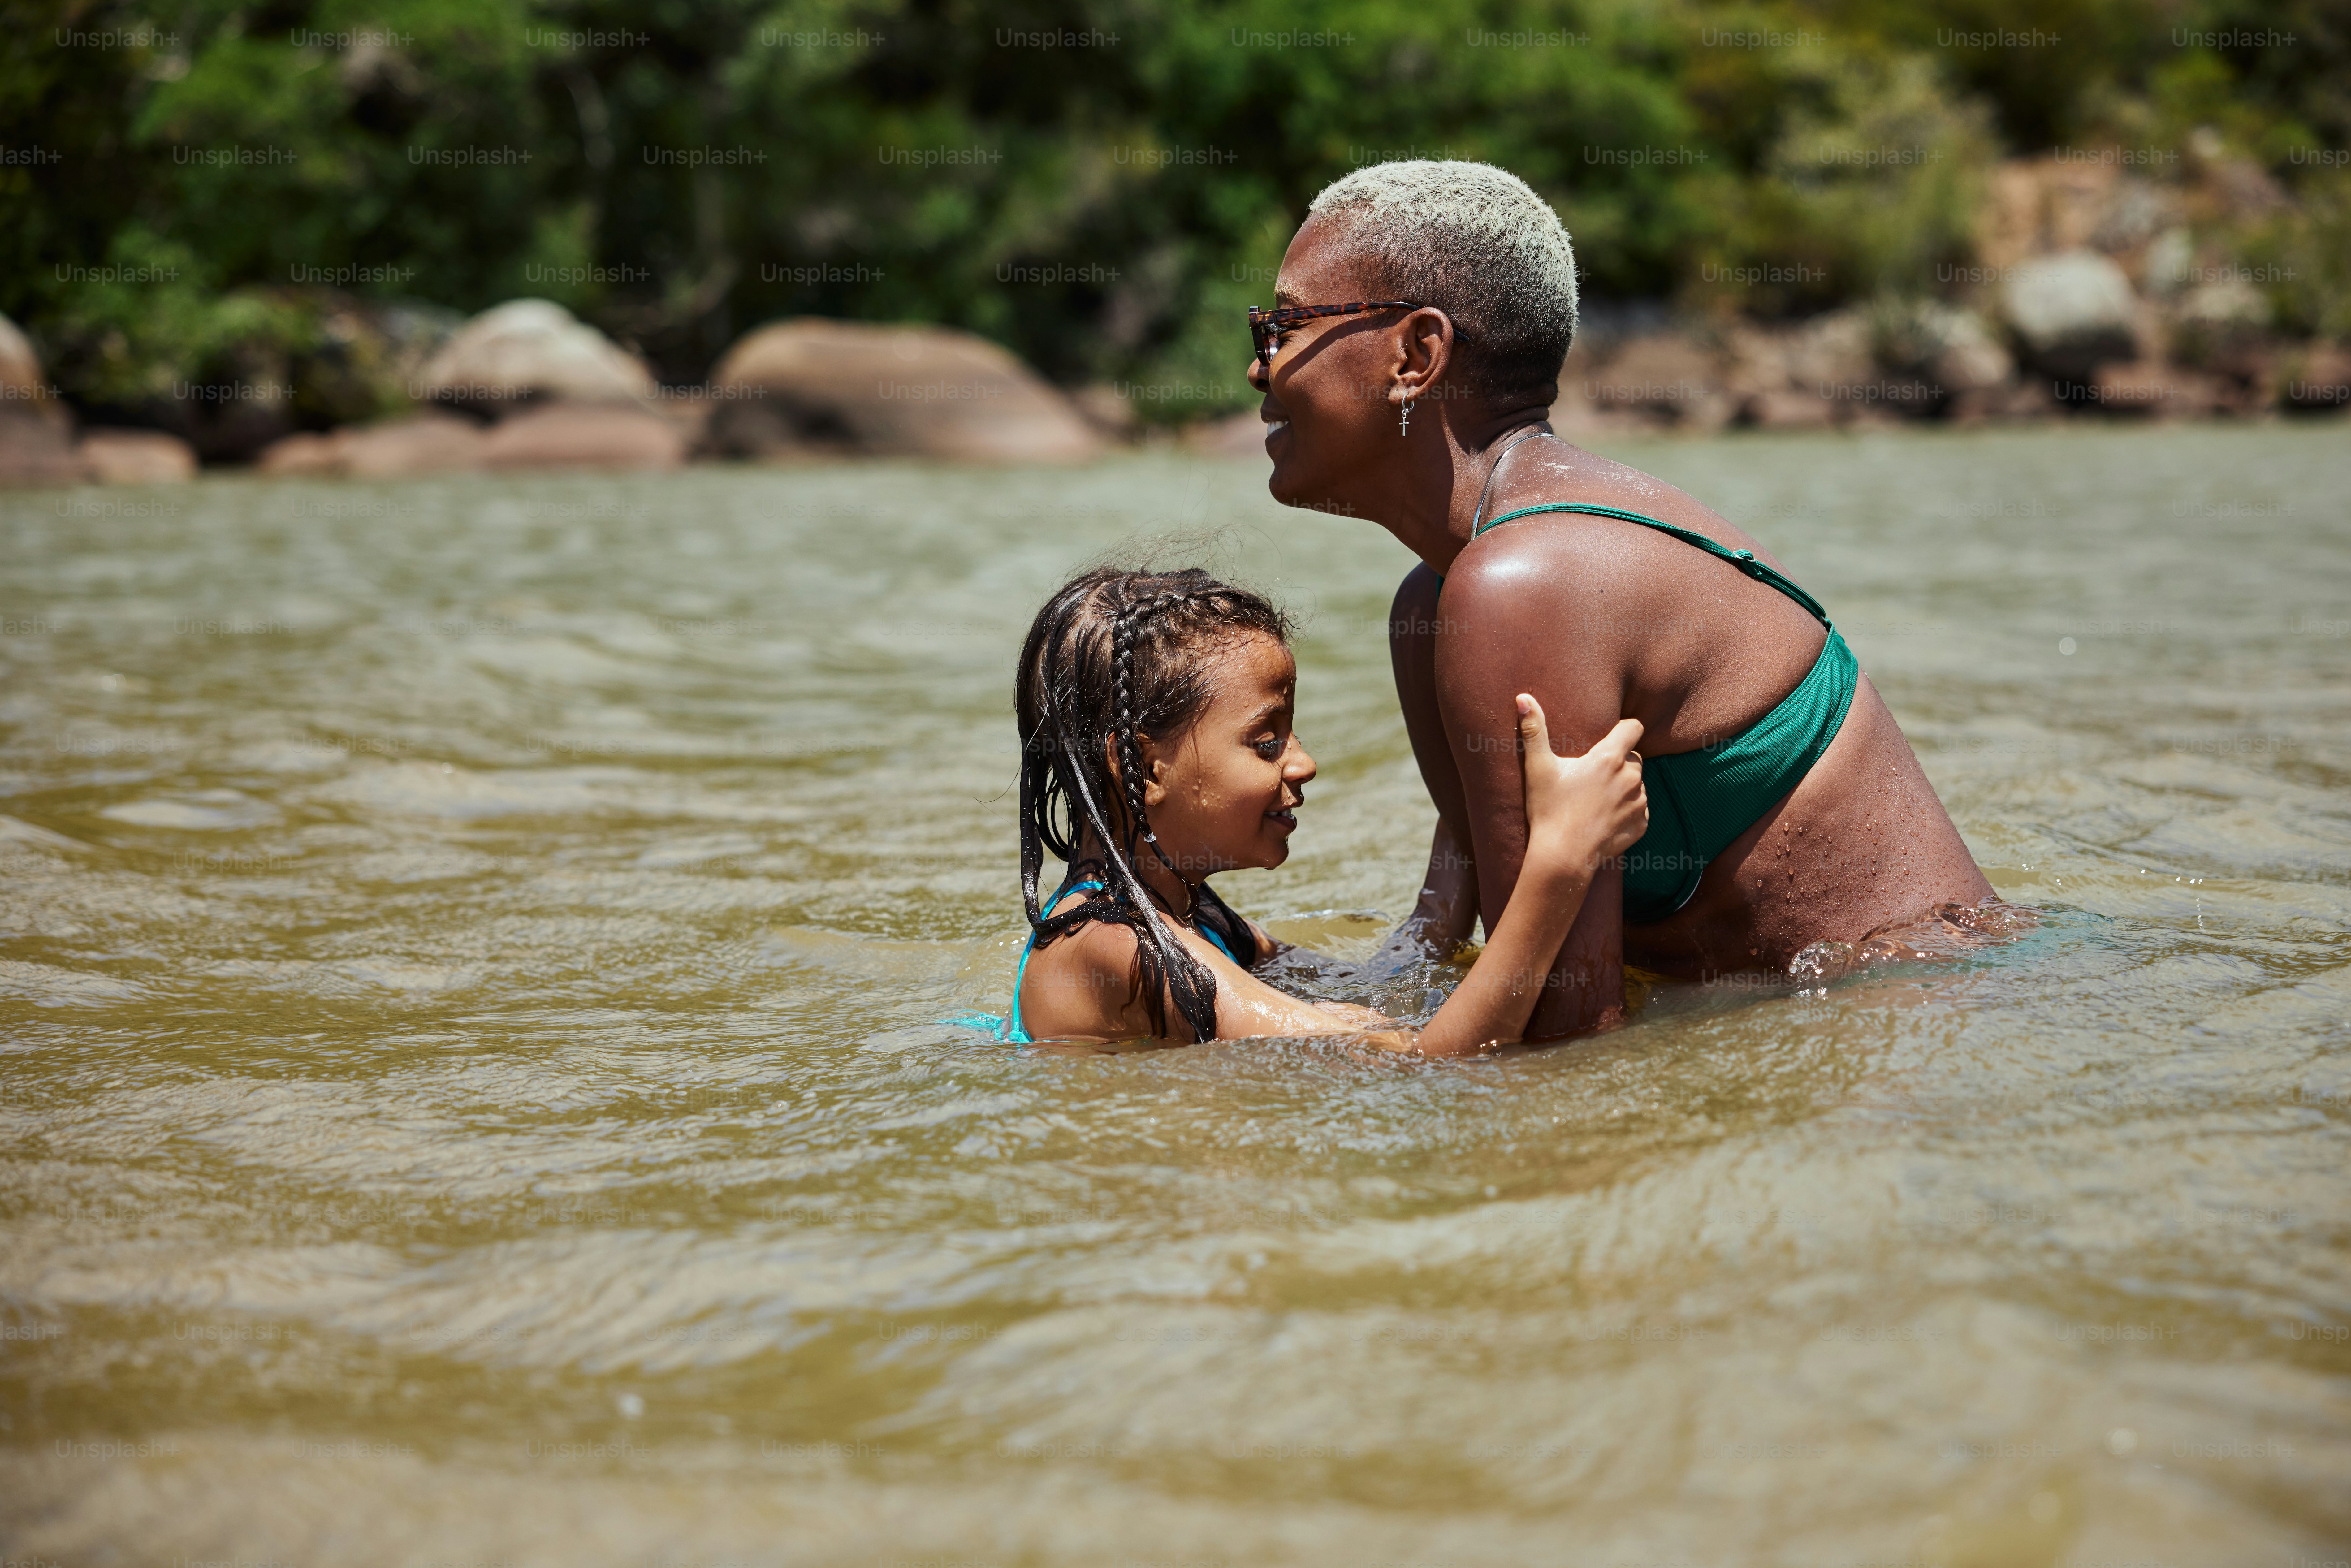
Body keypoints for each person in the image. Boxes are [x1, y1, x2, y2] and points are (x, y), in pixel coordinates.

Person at [1245, 160, 1995, 1037]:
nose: (1260, 370)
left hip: (1935, 1044)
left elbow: (1568, 1050)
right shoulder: (1444, 598)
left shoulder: (1522, 586)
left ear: (1416, 355)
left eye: (1282, 327)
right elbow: (1434, 951)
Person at [1003, 566, 1646, 1053]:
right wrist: (1563, 858)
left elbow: (1388, 975)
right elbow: (1430, 1066)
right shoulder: (1109, 945)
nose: (1303, 762)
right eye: (1266, 741)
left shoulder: (1193, 914)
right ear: (1145, 768)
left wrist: (1476, 788)